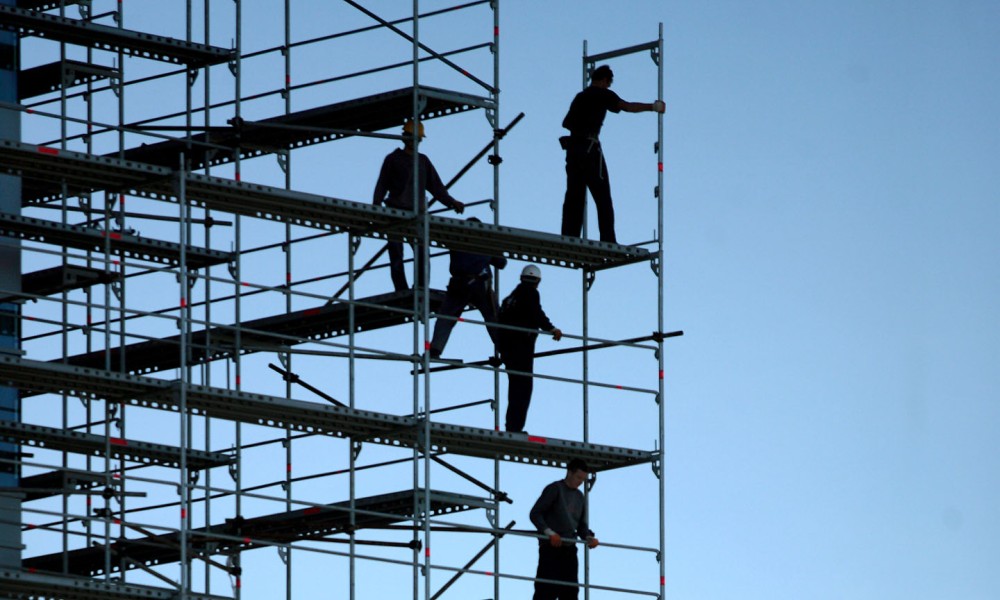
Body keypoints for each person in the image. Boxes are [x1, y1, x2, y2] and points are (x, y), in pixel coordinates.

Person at [560, 64, 665, 244]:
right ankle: (608, 239)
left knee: (574, 196)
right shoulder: (603, 94)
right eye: (608, 83)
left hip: (573, 150)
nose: (608, 86)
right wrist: (653, 107)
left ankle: (569, 236)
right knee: (603, 198)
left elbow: (567, 123)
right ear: (604, 80)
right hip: (589, 149)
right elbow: (627, 106)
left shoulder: (580, 96)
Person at [373, 119, 465, 291]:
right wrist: (376, 208)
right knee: (396, 253)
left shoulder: (423, 161)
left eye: (417, 138)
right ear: (405, 137)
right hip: (394, 213)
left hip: (417, 215)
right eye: (412, 137)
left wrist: (451, 202)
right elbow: (382, 185)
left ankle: (421, 287)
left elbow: (436, 187)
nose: (415, 141)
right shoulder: (393, 159)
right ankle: (401, 289)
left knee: (422, 252)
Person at [429, 218, 508, 358]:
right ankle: (505, 351)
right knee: (493, 318)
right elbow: (501, 263)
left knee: (446, 317)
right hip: (480, 284)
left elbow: (440, 237)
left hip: (459, 283)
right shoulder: (485, 241)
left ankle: (435, 350)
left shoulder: (456, 238)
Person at [498, 265, 562, 432]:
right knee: (523, 388)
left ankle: (511, 425)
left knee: (515, 387)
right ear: (538, 281)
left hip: (508, 348)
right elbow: (536, 313)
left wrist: (501, 350)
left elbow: (500, 322)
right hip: (522, 347)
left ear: (521, 278)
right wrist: (551, 329)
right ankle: (514, 427)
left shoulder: (509, 299)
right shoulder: (531, 293)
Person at [529, 458, 599, 600]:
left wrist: (588, 537)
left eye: (583, 479)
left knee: (570, 591)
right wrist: (549, 533)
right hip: (551, 547)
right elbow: (535, 513)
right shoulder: (554, 489)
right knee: (546, 590)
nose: (580, 482)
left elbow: (581, 526)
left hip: (569, 548)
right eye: (578, 477)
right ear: (569, 473)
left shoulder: (580, 496)